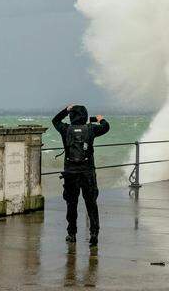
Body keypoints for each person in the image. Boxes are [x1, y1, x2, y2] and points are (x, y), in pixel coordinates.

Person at [53, 104, 110, 246]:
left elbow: (55, 121)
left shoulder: (65, 129)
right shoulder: (91, 129)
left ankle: (72, 234)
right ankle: (94, 233)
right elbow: (106, 127)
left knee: (71, 204)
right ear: (85, 115)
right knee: (91, 204)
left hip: (70, 173)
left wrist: (66, 109)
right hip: (87, 172)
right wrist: (100, 119)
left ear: (71, 116)